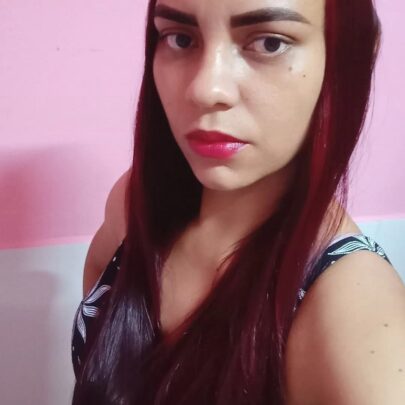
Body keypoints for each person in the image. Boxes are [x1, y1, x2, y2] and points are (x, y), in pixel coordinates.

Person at [71, 0, 405, 403]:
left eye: (269, 43)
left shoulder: (352, 313)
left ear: (349, 57)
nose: (205, 89)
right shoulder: (134, 202)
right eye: (180, 39)